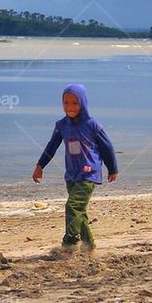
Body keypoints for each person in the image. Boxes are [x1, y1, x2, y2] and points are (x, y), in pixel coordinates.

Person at [32, 84, 118, 253]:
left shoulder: (92, 124)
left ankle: (70, 243)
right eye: (66, 103)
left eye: (74, 103)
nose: (69, 107)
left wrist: (112, 168)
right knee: (80, 211)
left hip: (89, 174)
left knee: (72, 207)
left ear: (83, 103)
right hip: (71, 174)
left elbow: (107, 147)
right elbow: (51, 147)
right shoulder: (61, 125)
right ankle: (89, 246)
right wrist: (40, 165)